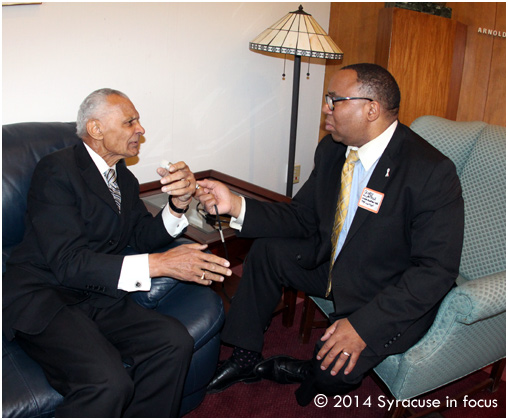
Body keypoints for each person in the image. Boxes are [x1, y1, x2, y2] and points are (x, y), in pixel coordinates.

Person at [197, 63, 464, 405]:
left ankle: (309, 369)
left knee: (330, 373)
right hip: (335, 263)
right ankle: (246, 358)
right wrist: (235, 204)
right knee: (266, 251)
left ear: (371, 109)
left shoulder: (430, 172)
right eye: (327, 98)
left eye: (335, 100)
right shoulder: (333, 150)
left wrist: (364, 326)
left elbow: (435, 270)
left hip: (386, 289)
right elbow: (302, 217)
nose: (325, 107)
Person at [2, 88, 232, 417]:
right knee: (108, 382)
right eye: (130, 122)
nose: (141, 129)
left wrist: (178, 206)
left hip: (96, 295)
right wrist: (160, 264)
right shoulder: (57, 170)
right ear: (96, 129)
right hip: (45, 295)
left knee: (173, 342)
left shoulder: (122, 178)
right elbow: (67, 263)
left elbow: (140, 236)